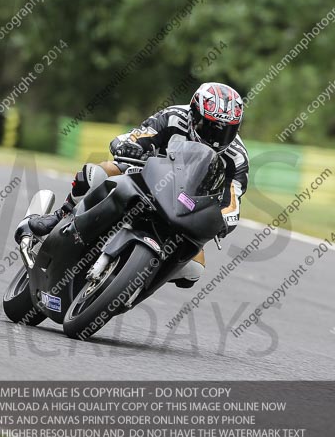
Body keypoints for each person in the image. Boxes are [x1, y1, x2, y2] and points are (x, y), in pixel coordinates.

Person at [16, 82, 248, 288]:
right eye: (210, 127)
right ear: (194, 115)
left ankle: (138, 281)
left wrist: (224, 220)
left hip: (185, 208)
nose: (217, 138)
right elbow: (137, 135)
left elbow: (232, 201)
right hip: (148, 179)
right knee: (101, 171)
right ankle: (60, 216)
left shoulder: (237, 157)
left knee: (195, 269)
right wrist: (128, 146)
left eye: (227, 130)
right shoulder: (174, 117)